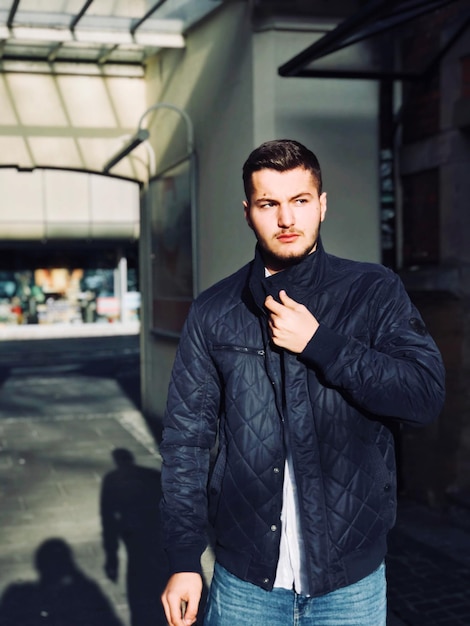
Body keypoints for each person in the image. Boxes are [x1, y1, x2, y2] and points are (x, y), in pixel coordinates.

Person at [159, 139, 446, 626]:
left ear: (322, 205)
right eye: (269, 203)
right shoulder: (214, 311)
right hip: (246, 581)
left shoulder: (373, 292)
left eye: (300, 201)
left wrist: (321, 343)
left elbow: (422, 395)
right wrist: (185, 558)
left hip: (349, 584)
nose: (286, 219)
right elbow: (186, 439)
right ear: (248, 211)